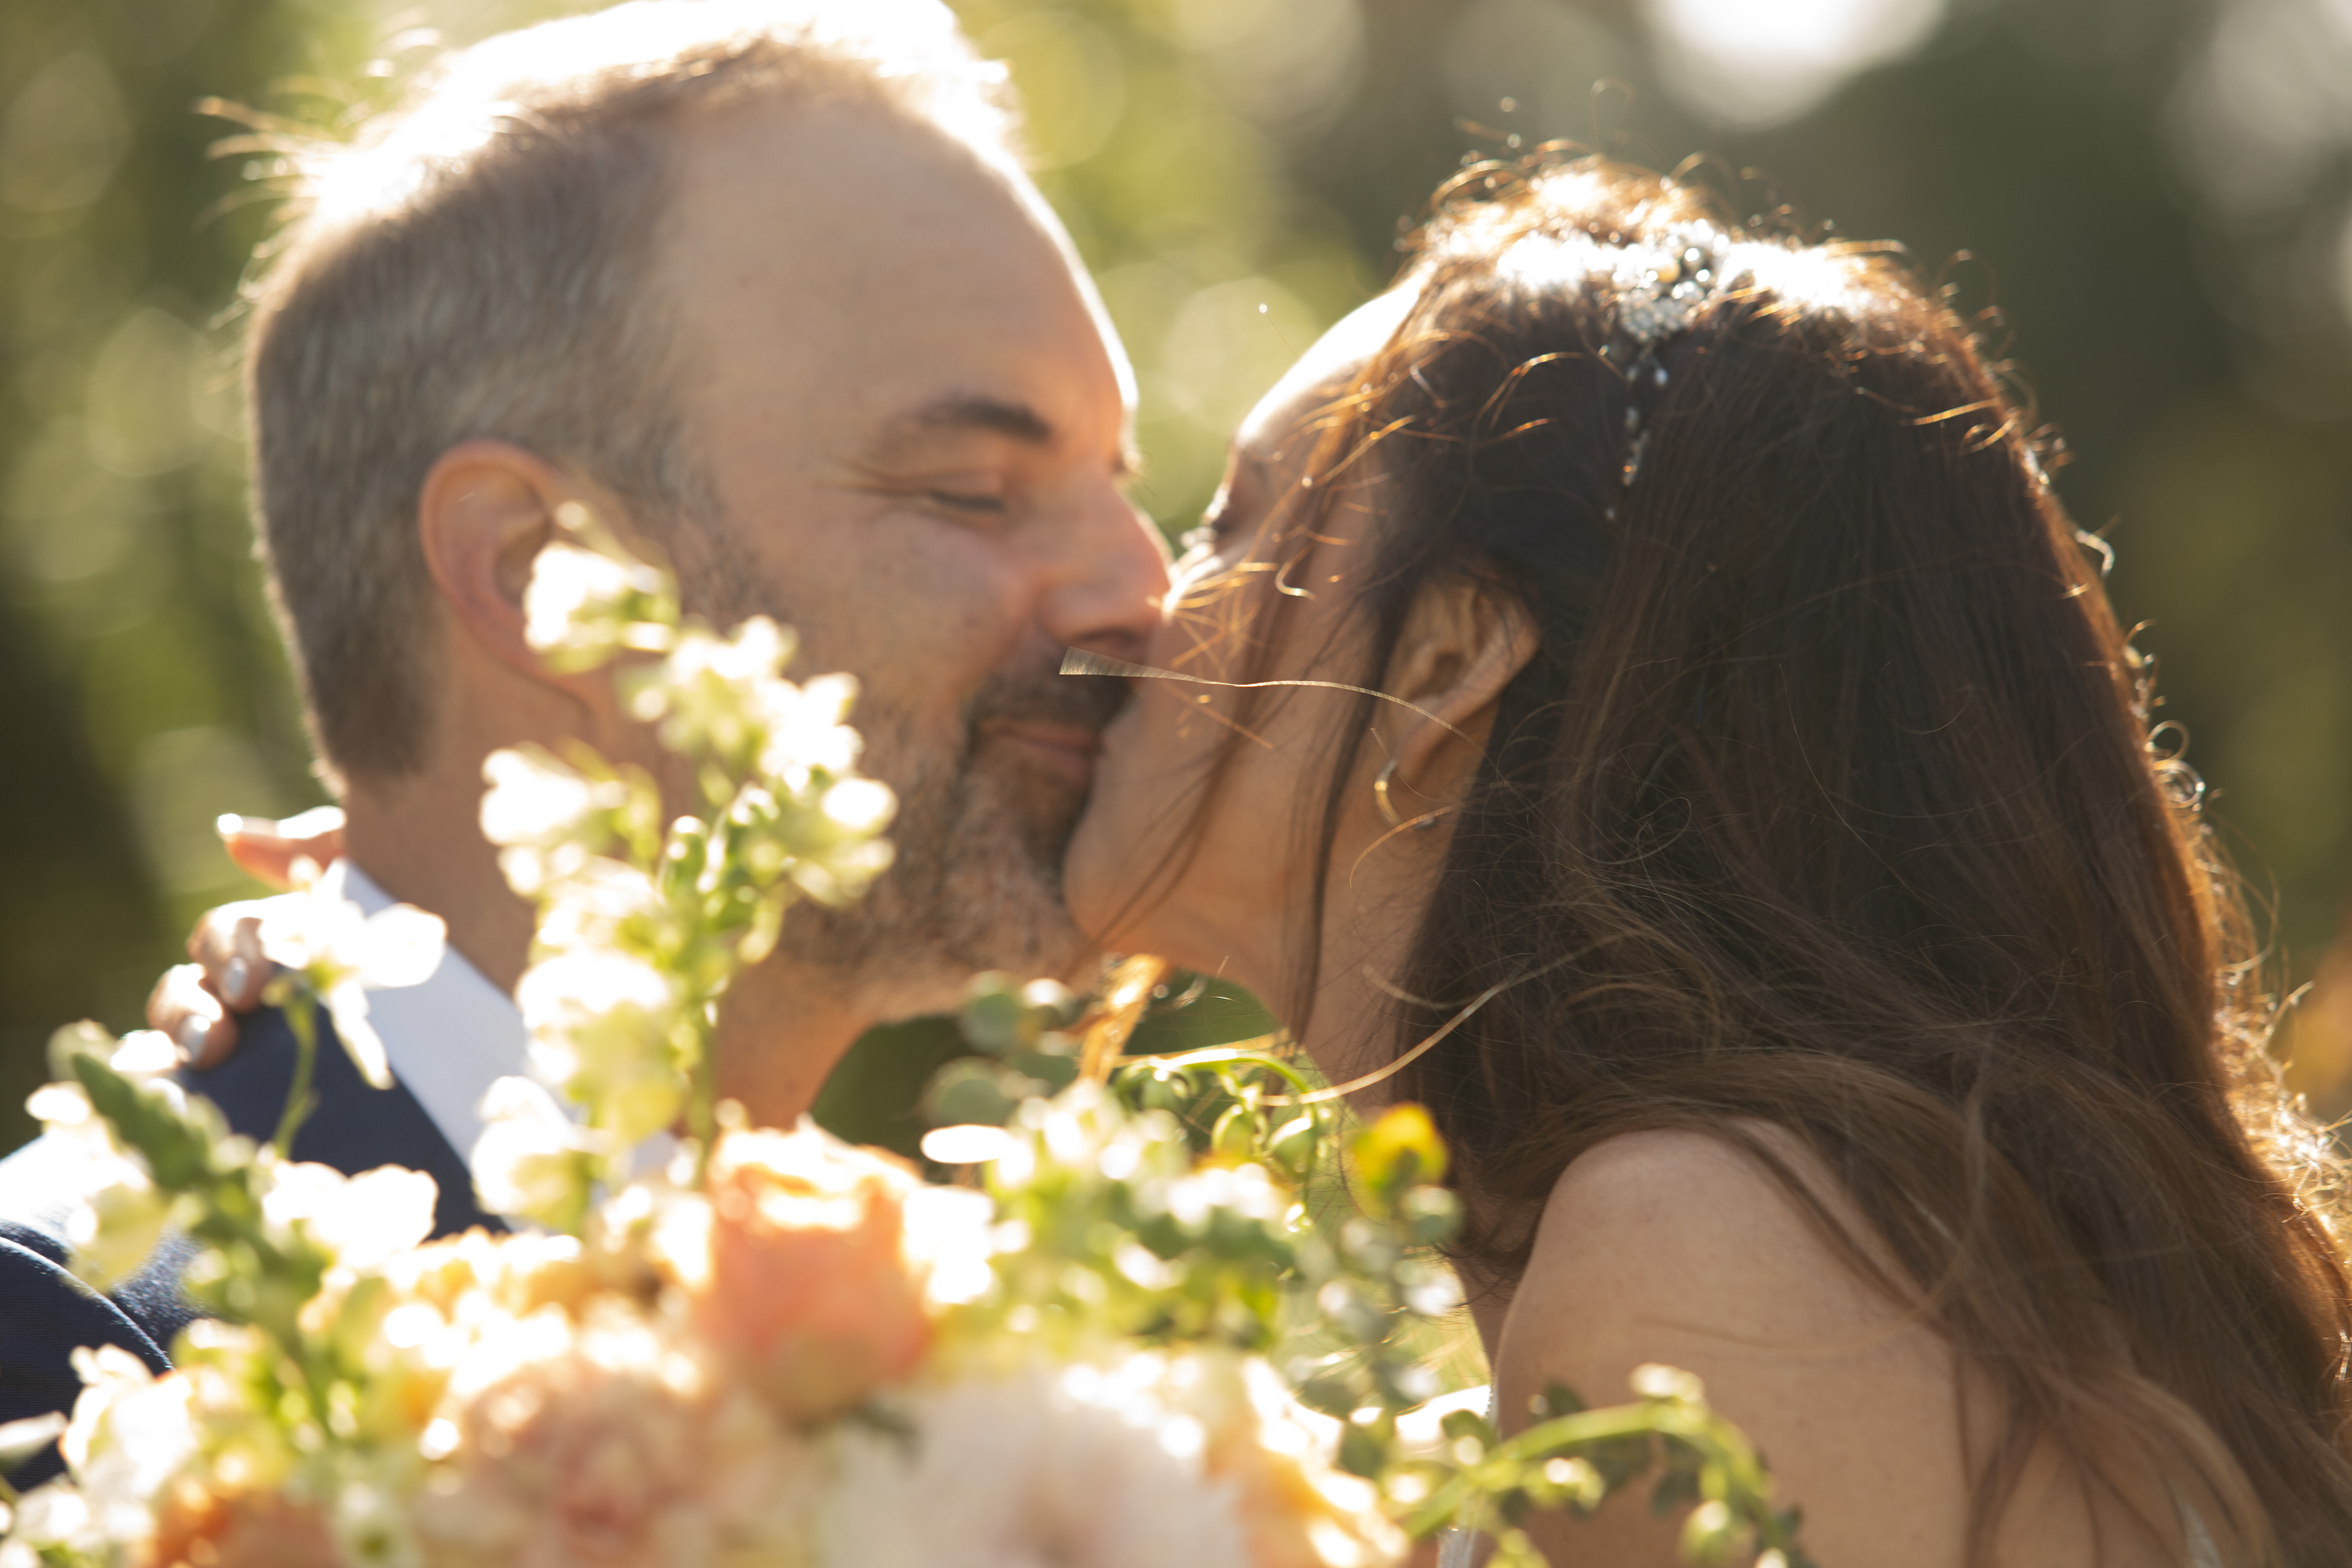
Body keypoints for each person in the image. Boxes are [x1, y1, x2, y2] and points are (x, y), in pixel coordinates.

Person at [1057, 164, 2352, 1563]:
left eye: (1231, 521)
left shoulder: (1705, 1244)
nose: (1138, 604)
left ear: (1448, 653)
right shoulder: (1819, 1233)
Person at [0, 0, 1165, 1480]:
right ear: (544, 576)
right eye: (974, 489)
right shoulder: (82, 1361)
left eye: (1120, 486)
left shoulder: (994, 1365)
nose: (1145, 590)